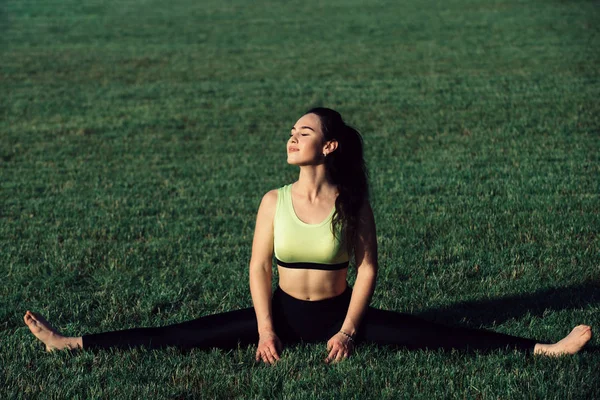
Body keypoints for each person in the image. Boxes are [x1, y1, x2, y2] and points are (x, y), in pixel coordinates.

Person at [24, 108, 592, 364]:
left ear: (329, 146)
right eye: (292, 132)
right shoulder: (273, 201)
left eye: (304, 132)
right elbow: (256, 270)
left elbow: (367, 269)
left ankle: (545, 348)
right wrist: (266, 330)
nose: (292, 138)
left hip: (340, 314)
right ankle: (69, 342)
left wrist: (348, 332)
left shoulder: (353, 203)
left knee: (438, 335)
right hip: (284, 313)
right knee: (180, 335)